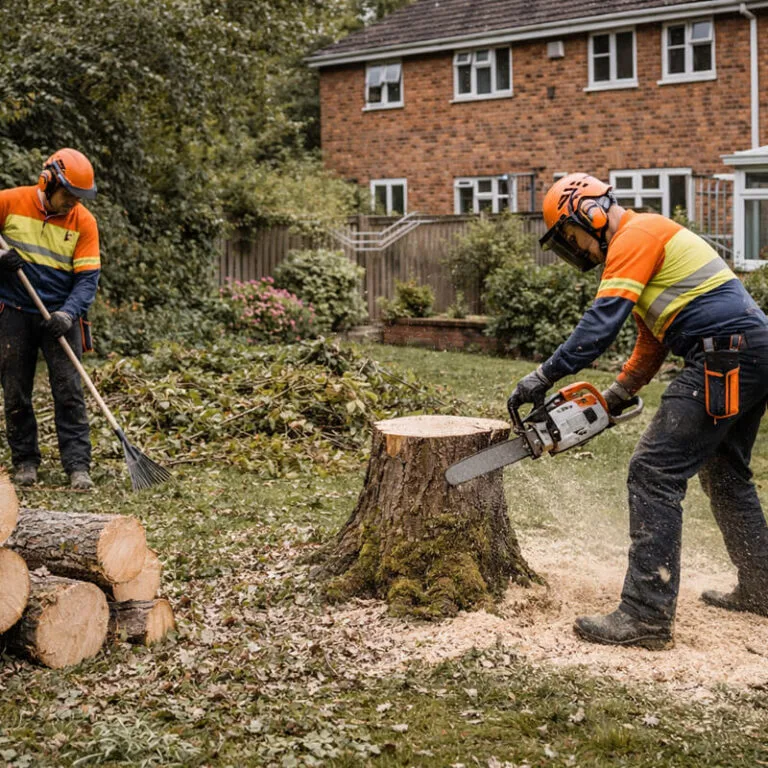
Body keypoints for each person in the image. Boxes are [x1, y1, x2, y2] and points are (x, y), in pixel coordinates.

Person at [508, 173, 768, 650]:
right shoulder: (645, 242)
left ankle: (646, 614)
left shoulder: (636, 235)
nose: (574, 248)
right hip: (749, 351)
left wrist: (542, 376)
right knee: (726, 474)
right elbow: (652, 339)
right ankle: (762, 586)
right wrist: (616, 395)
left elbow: (599, 325)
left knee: (653, 471)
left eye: (570, 235)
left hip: (725, 354)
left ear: (590, 212)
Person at [0, 148, 100, 491]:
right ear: (49, 181)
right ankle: (25, 461)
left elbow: (88, 279)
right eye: (68, 195)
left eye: (78, 197)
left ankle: (77, 465)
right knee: (15, 391)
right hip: (13, 310)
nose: (73, 202)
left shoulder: (83, 221)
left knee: (69, 390)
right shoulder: (10, 202)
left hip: (59, 312)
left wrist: (68, 314)